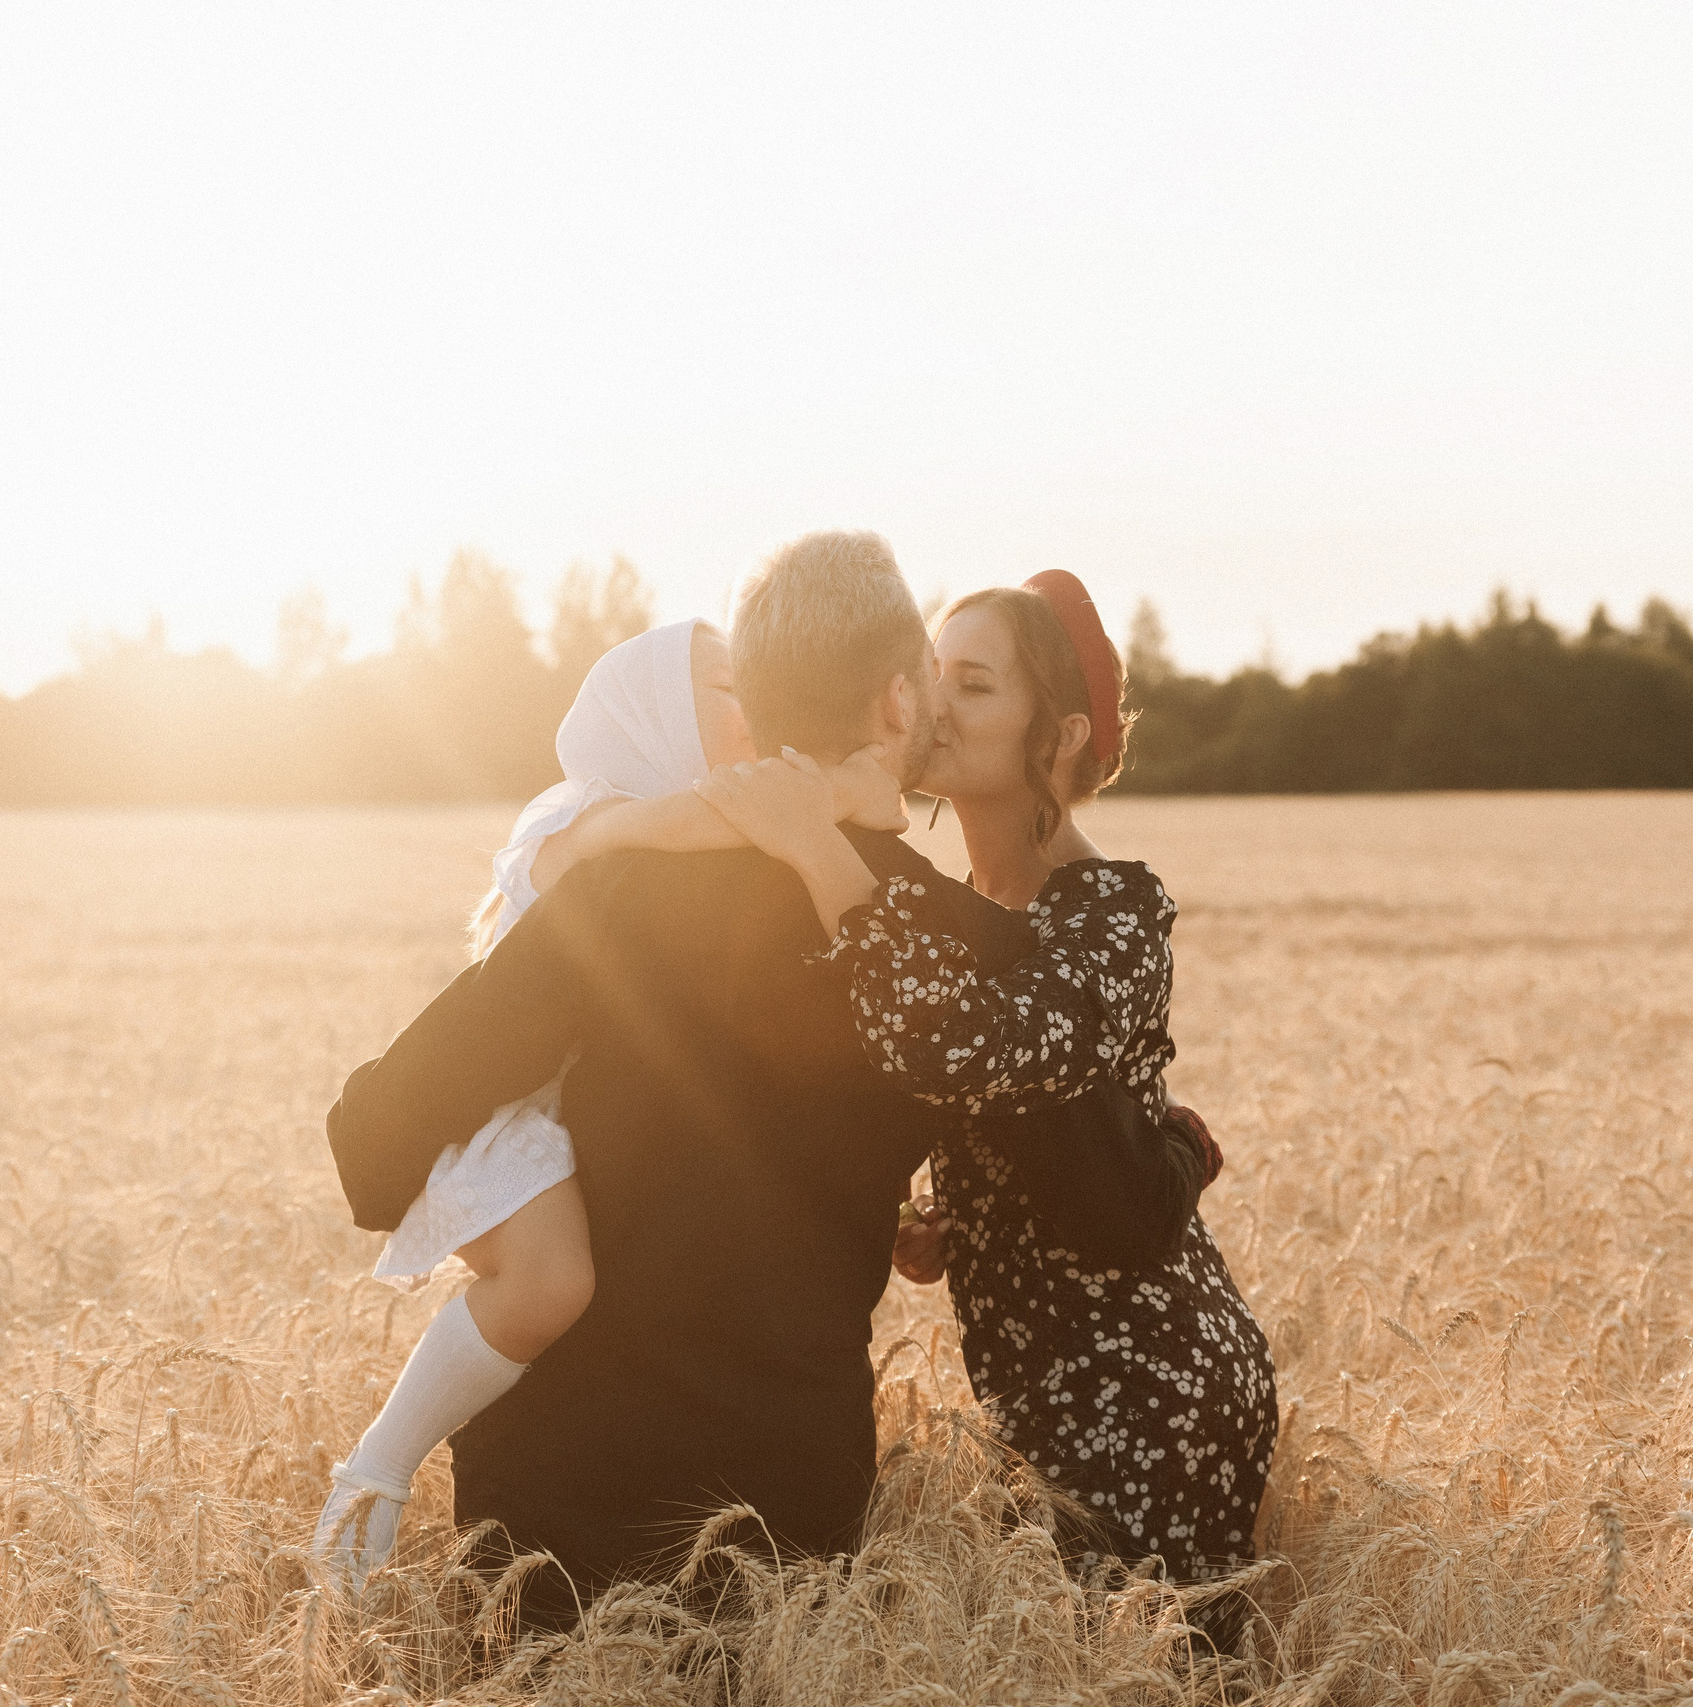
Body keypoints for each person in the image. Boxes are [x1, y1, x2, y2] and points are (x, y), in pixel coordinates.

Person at [323, 532, 1195, 1624]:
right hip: (783, 1524)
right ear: (897, 703)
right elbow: (1108, 1210)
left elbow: (371, 1135)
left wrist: (514, 1211)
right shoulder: (968, 954)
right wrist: (1176, 1143)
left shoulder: (617, 893)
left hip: (544, 1514)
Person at [695, 572, 1278, 1579]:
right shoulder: (958, 907)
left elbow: (973, 1046)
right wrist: (956, 1212)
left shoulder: (1112, 913)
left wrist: (819, 850)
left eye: (975, 685)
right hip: (1030, 1377)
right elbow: (1018, 1113)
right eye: (932, 675)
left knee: (1141, 1659)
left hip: (1150, 1380)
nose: (936, 703)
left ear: (1059, 737)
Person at [313, 617, 900, 1578]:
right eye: (726, 688)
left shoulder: (711, 855)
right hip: (506, 1120)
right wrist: (838, 792)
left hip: (554, 1118)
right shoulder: (588, 815)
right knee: (552, 1283)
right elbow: (690, 823)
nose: (753, 706)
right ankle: (376, 1468)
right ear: (650, 710)